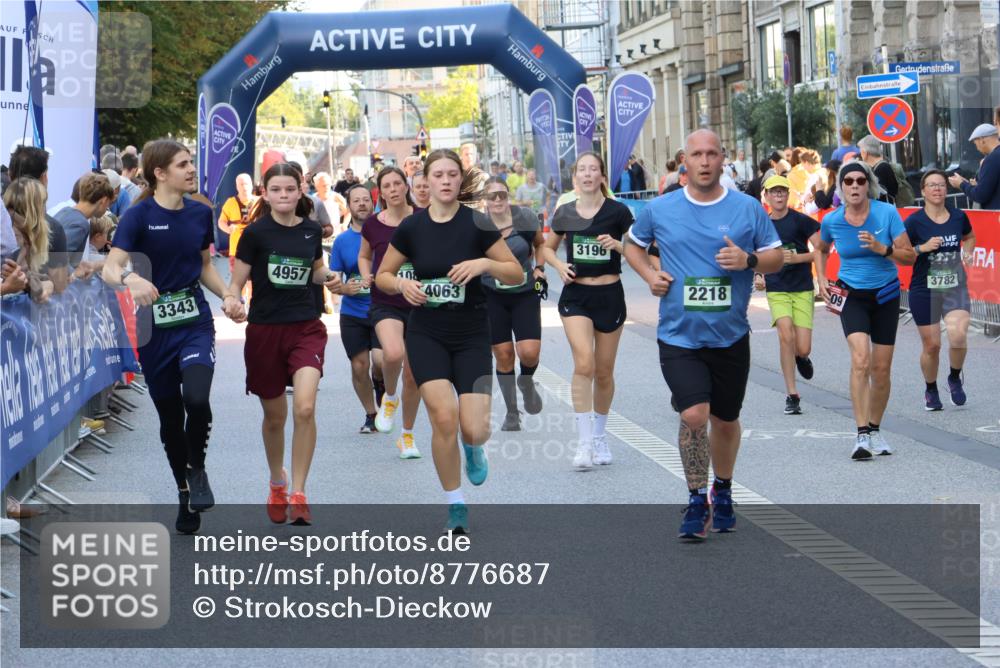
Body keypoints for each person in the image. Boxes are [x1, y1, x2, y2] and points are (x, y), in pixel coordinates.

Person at [623, 129, 783, 541]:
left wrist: (748, 259)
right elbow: (633, 246)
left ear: (723, 159)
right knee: (694, 415)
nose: (706, 161)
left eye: (713, 153)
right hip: (679, 336)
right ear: (684, 162)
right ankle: (697, 498)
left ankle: (723, 489)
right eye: (697, 154)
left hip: (730, 336)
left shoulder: (748, 208)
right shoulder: (660, 209)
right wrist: (650, 275)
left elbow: (777, 257)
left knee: (725, 420)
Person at [374, 148, 521, 533]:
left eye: (451, 174)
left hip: (472, 333)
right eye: (436, 174)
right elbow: (383, 276)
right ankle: (455, 504)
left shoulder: (478, 224)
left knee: (474, 428)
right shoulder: (412, 228)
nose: (444, 181)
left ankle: (473, 449)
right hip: (427, 334)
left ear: (460, 179)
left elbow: (516, 274)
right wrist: (403, 283)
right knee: (443, 417)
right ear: (423, 181)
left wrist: (485, 264)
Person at [102, 139, 230, 534]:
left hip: (193, 320)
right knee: (171, 418)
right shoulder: (137, 217)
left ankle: (197, 468)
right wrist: (132, 278)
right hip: (153, 328)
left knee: (196, 396)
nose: (192, 170)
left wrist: (227, 295)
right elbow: (110, 268)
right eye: (183, 164)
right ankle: (183, 491)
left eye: (191, 162)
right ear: (160, 173)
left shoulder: (198, 213)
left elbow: (205, 266)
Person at [223, 163, 341, 526]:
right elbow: (236, 282)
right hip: (265, 330)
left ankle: (300, 493)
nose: (284, 195)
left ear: (301, 189)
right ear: (266, 193)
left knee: (304, 408)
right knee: (275, 418)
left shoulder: (309, 230)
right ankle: (278, 481)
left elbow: (315, 270)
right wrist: (231, 301)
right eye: (276, 190)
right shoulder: (254, 233)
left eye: (290, 189)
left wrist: (330, 277)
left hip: (306, 327)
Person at [814, 161, 916, 460]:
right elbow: (820, 247)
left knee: (881, 369)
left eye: (860, 181)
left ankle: (875, 429)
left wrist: (882, 249)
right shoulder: (833, 220)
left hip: (885, 294)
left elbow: (909, 256)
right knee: (861, 360)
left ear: (868, 184)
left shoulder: (886, 213)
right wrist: (821, 278)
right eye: (849, 182)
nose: (855, 186)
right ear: (841, 187)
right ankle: (860, 435)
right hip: (851, 295)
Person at [542, 151, 634, 470]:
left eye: (593, 169)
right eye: (582, 170)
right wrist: (557, 265)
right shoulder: (565, 212)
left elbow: (640, 248)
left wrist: (619, 246)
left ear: (602, 176)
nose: (587, 174)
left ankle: (598, 435)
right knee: (584, 364)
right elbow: (546, 248)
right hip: (576, 295)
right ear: (575, 177)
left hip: (610, 294)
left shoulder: (619, 211)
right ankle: (583, 443)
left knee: (604, 371)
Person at [358, 166, 423, 459]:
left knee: (413, 375)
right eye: (388, 185)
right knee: (392, 354)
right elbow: (364, 255)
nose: (394, 189)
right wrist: (366, 275)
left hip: (421, 303)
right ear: (380, 192)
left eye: (398, 183)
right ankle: (389, 398)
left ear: (406, 186)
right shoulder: (373, 224)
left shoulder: (424, 217)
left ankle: (407, 437)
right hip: (386, 299)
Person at [906, 170, 976, 410]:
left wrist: (968, 250)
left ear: (947, 190)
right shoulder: (914, 221)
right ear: (923, 191)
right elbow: (901, 253)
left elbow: (969, 237)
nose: (937, 189)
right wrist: (921, 248)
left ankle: (954, 378)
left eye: (942, 185)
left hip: (954, 285)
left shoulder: (958, 216)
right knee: (932, 345)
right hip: (924, 288)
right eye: (932, 185)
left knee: (958, 336)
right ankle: (931, 388)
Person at [481, 177, 546, 431]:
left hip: (524, 292)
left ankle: (526, 381)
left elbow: (540, 244)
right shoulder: (479, 226)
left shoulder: (525, 218)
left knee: (529, 352)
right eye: (492, 196)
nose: (498, 200)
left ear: (508, 197)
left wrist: (539, 268)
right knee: (504, 355)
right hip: (491, 295)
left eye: (502, 195)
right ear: (485, 201)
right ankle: (511, 413)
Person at [755, 175, 820, 415]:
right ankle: (792, 394)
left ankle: (801, 357)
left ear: (788, 194)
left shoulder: (801, 221)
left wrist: (799, 258)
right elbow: (756, 255)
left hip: (802, 287)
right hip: (777, 287)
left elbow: (821, 251)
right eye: (774, 192)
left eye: (783, 191)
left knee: (802, 347)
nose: (779, 196)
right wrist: (759, 275)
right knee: (785, 334)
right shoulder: (762, 224)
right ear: (767, 196)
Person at [330, 184, 385, 433]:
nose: (362, 204)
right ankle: (371, 414)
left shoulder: (385, 234)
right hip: (353, 312)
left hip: (383, 309)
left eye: (366, 200)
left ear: (372, 203)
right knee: (359, 365)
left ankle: (382, 388)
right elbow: (333, 280)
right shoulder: (342, 241)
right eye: (356, 201)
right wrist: (343, 290)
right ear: (349, 206)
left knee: (381, 362)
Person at [8, 146, 68, 293]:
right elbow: (60, 284)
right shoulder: (54, 228)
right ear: (44, 177)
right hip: (30, 311)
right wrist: (48, 285)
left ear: (10, 175)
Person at [2, 179, 54, 303]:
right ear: (35, 208)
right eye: (43, 203)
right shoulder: (16, 234)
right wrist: (44, 285)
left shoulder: (17, 228)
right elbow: (20, 277)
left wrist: (47, 283)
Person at [53, 172, 115, 261]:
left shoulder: (65, 211)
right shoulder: (80, 223)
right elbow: (60, 262)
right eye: (109, 203)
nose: (107, 207)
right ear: (104, 200)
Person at [948, 123, 1000, 210]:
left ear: (982, 140)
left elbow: (980, 195)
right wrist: (971, 185)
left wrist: (961, 184)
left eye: (975, 144)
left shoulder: (991, 159)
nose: (977, 148)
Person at [217, 173, 257, 269]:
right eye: (241, 184)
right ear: (236, 187)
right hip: (236, 250)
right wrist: (228, 229)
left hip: (257, 249)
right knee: (238, 280)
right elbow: (221, 221)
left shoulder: (259, 202)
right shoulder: (230, 202)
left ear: (251, 185)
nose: (244, 187)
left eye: (246, 184)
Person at [858, 135, 899, 204]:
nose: (861, 154)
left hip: (883, 210)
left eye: (861, 151)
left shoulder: (882, 168)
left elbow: (877, 194)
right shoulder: (882, 165)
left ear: (865, 152)